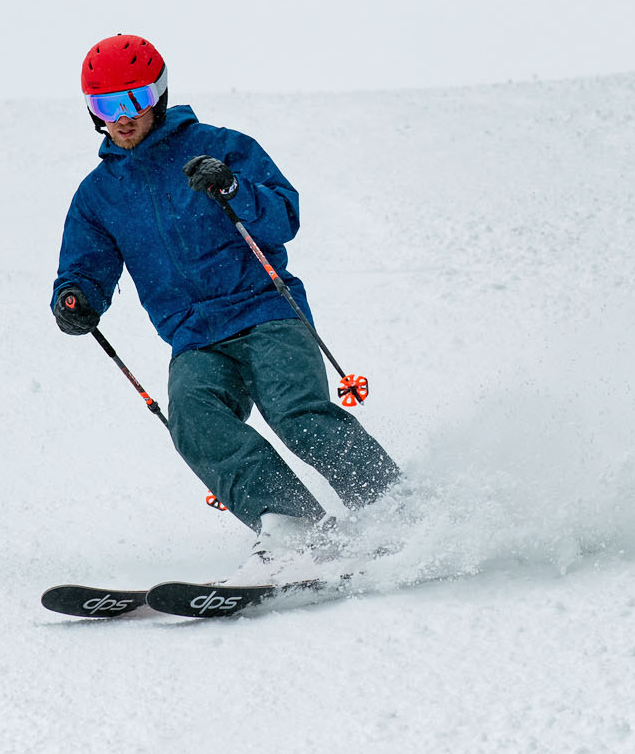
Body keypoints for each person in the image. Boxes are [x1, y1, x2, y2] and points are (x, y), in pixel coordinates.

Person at [51, 34, 400, 575]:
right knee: (193, 421)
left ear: (159, 95)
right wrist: (76, 298)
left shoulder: (221, 147)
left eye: (132, 100)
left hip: (266, 312)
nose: (121, 118)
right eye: (104, 106)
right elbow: (85, 265)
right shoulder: (98, 195)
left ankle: (394, 509)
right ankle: (296, 528)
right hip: (194, 336)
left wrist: (234, 187)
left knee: (296, 413)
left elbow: (284, 216)